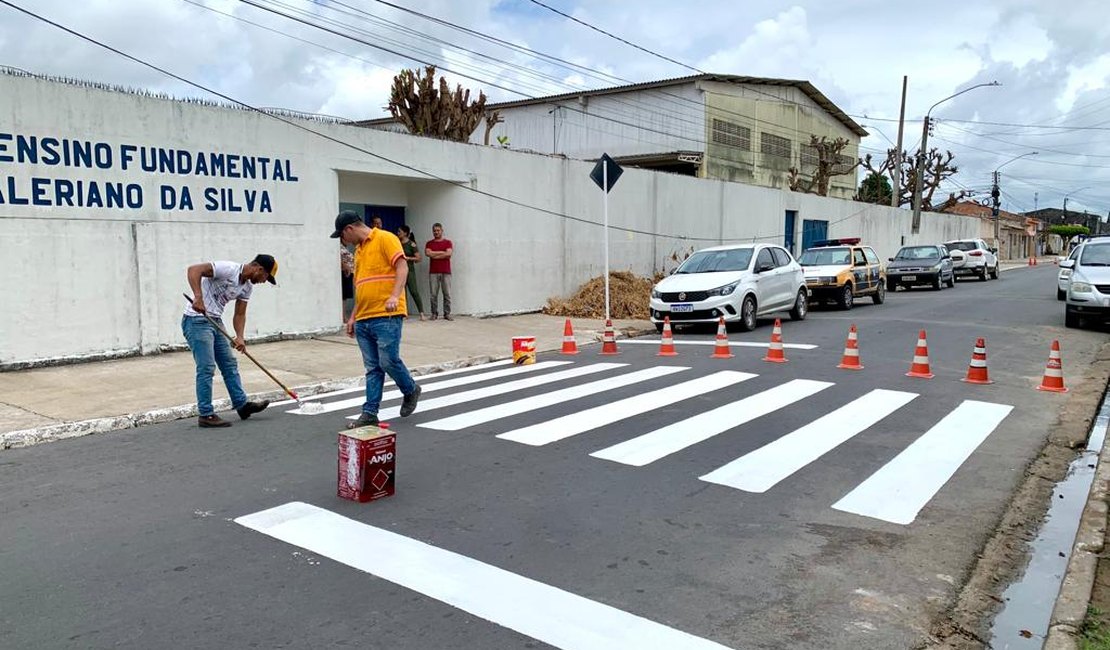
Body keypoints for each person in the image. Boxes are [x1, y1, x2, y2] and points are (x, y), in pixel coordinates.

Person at [331, 210, 421, 428]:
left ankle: (410, 389)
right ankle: (370, 412)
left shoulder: (385, 238)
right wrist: (352, 317)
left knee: (388, 360)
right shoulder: (359, 252)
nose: (344, 242)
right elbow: (360, 286)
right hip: (363, 317)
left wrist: (394, 295)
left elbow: (402, 267)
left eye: (342, 236)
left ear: (349, 229)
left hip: (386, 314)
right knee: (372, 367)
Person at [183, 255, 276, 428]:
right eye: (265, 278)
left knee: (229, 363)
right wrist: (198, 297)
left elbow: (240, 314)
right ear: (259, 269)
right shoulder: (228, 269)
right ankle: (205, 414)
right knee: (207, 367)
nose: (264, 282)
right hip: (196, 320)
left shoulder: (247, 287)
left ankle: (242, 405)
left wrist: (239, 336)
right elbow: (193, 270)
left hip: (215, 320)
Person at [424, 222, 454, 321]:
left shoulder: (448, 242)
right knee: (433, 294)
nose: (436, 232)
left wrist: (435, 254)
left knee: (447, 294)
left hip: (446, 271)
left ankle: (447, 314)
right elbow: (428, 253)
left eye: (438, 230)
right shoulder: (429, 243)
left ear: (442, 231)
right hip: (433, 272)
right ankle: (434, 313)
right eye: (434, 231)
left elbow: (449, 254)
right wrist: (443, 253)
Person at [397, 225, 426, 321]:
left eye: (400, 231)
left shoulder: (411, 244)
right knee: (401, 292)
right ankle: (404, 313)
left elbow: (418, 258)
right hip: (399, 270)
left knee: (414, 291)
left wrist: (409, 258)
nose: (398, 233)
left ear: (405, 233)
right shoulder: (397, 243)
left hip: (410, 270)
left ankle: (421, 313)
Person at [340, 244, 355, 321]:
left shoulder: (344, 247)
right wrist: (345, 266)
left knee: (345, 296)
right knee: (343, 296)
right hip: (344, 273)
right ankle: (343, 317)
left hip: (349, 273)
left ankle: (344, 316)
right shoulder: (338, 247)